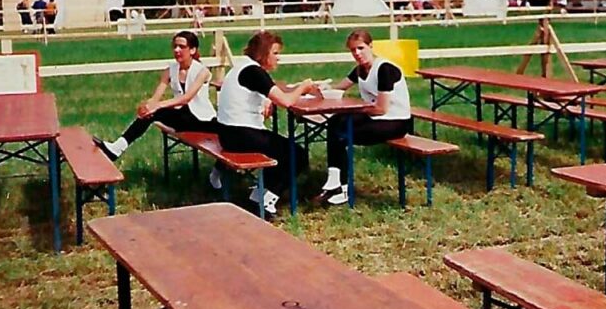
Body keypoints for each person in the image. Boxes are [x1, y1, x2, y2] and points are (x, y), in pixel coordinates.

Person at [214, 31, 317, 215]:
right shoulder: (254, 71)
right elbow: (286, 101)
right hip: (241, 135)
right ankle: (266, 199)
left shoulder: (242, 67)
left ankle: (258, 195)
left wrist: (268, 100)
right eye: (275, 53)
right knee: (298, 155)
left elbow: (264, 92)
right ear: (263, 53)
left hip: (227, 132)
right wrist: (303, 87)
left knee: (281, 150)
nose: (279, 58)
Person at [315, 29, 411, 206]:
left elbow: (382, 108)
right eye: (353, 50)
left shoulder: (384, 69)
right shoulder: (360, 70)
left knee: (342, 131)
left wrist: (355, 110)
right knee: (335, 122)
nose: (357, 54)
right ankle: (335, 181)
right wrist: (317, 89)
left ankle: (340, 187)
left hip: (396, 122)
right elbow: (339, 88)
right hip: (376, 117)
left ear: (371, 46)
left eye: (360, 48)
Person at [93, 31, 217, 161]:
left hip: (202, 120)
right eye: (174, 46)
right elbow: (156, 96)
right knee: (151, 113)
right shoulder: (170, 70)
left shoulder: (202, 71)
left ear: (192, 50)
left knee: (157, 111)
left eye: (181, 47)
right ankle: (117, 147)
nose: (177, 50)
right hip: (183, 118)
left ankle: (117, 148)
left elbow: (186, 98)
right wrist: (147, 106)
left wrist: (157, 106)